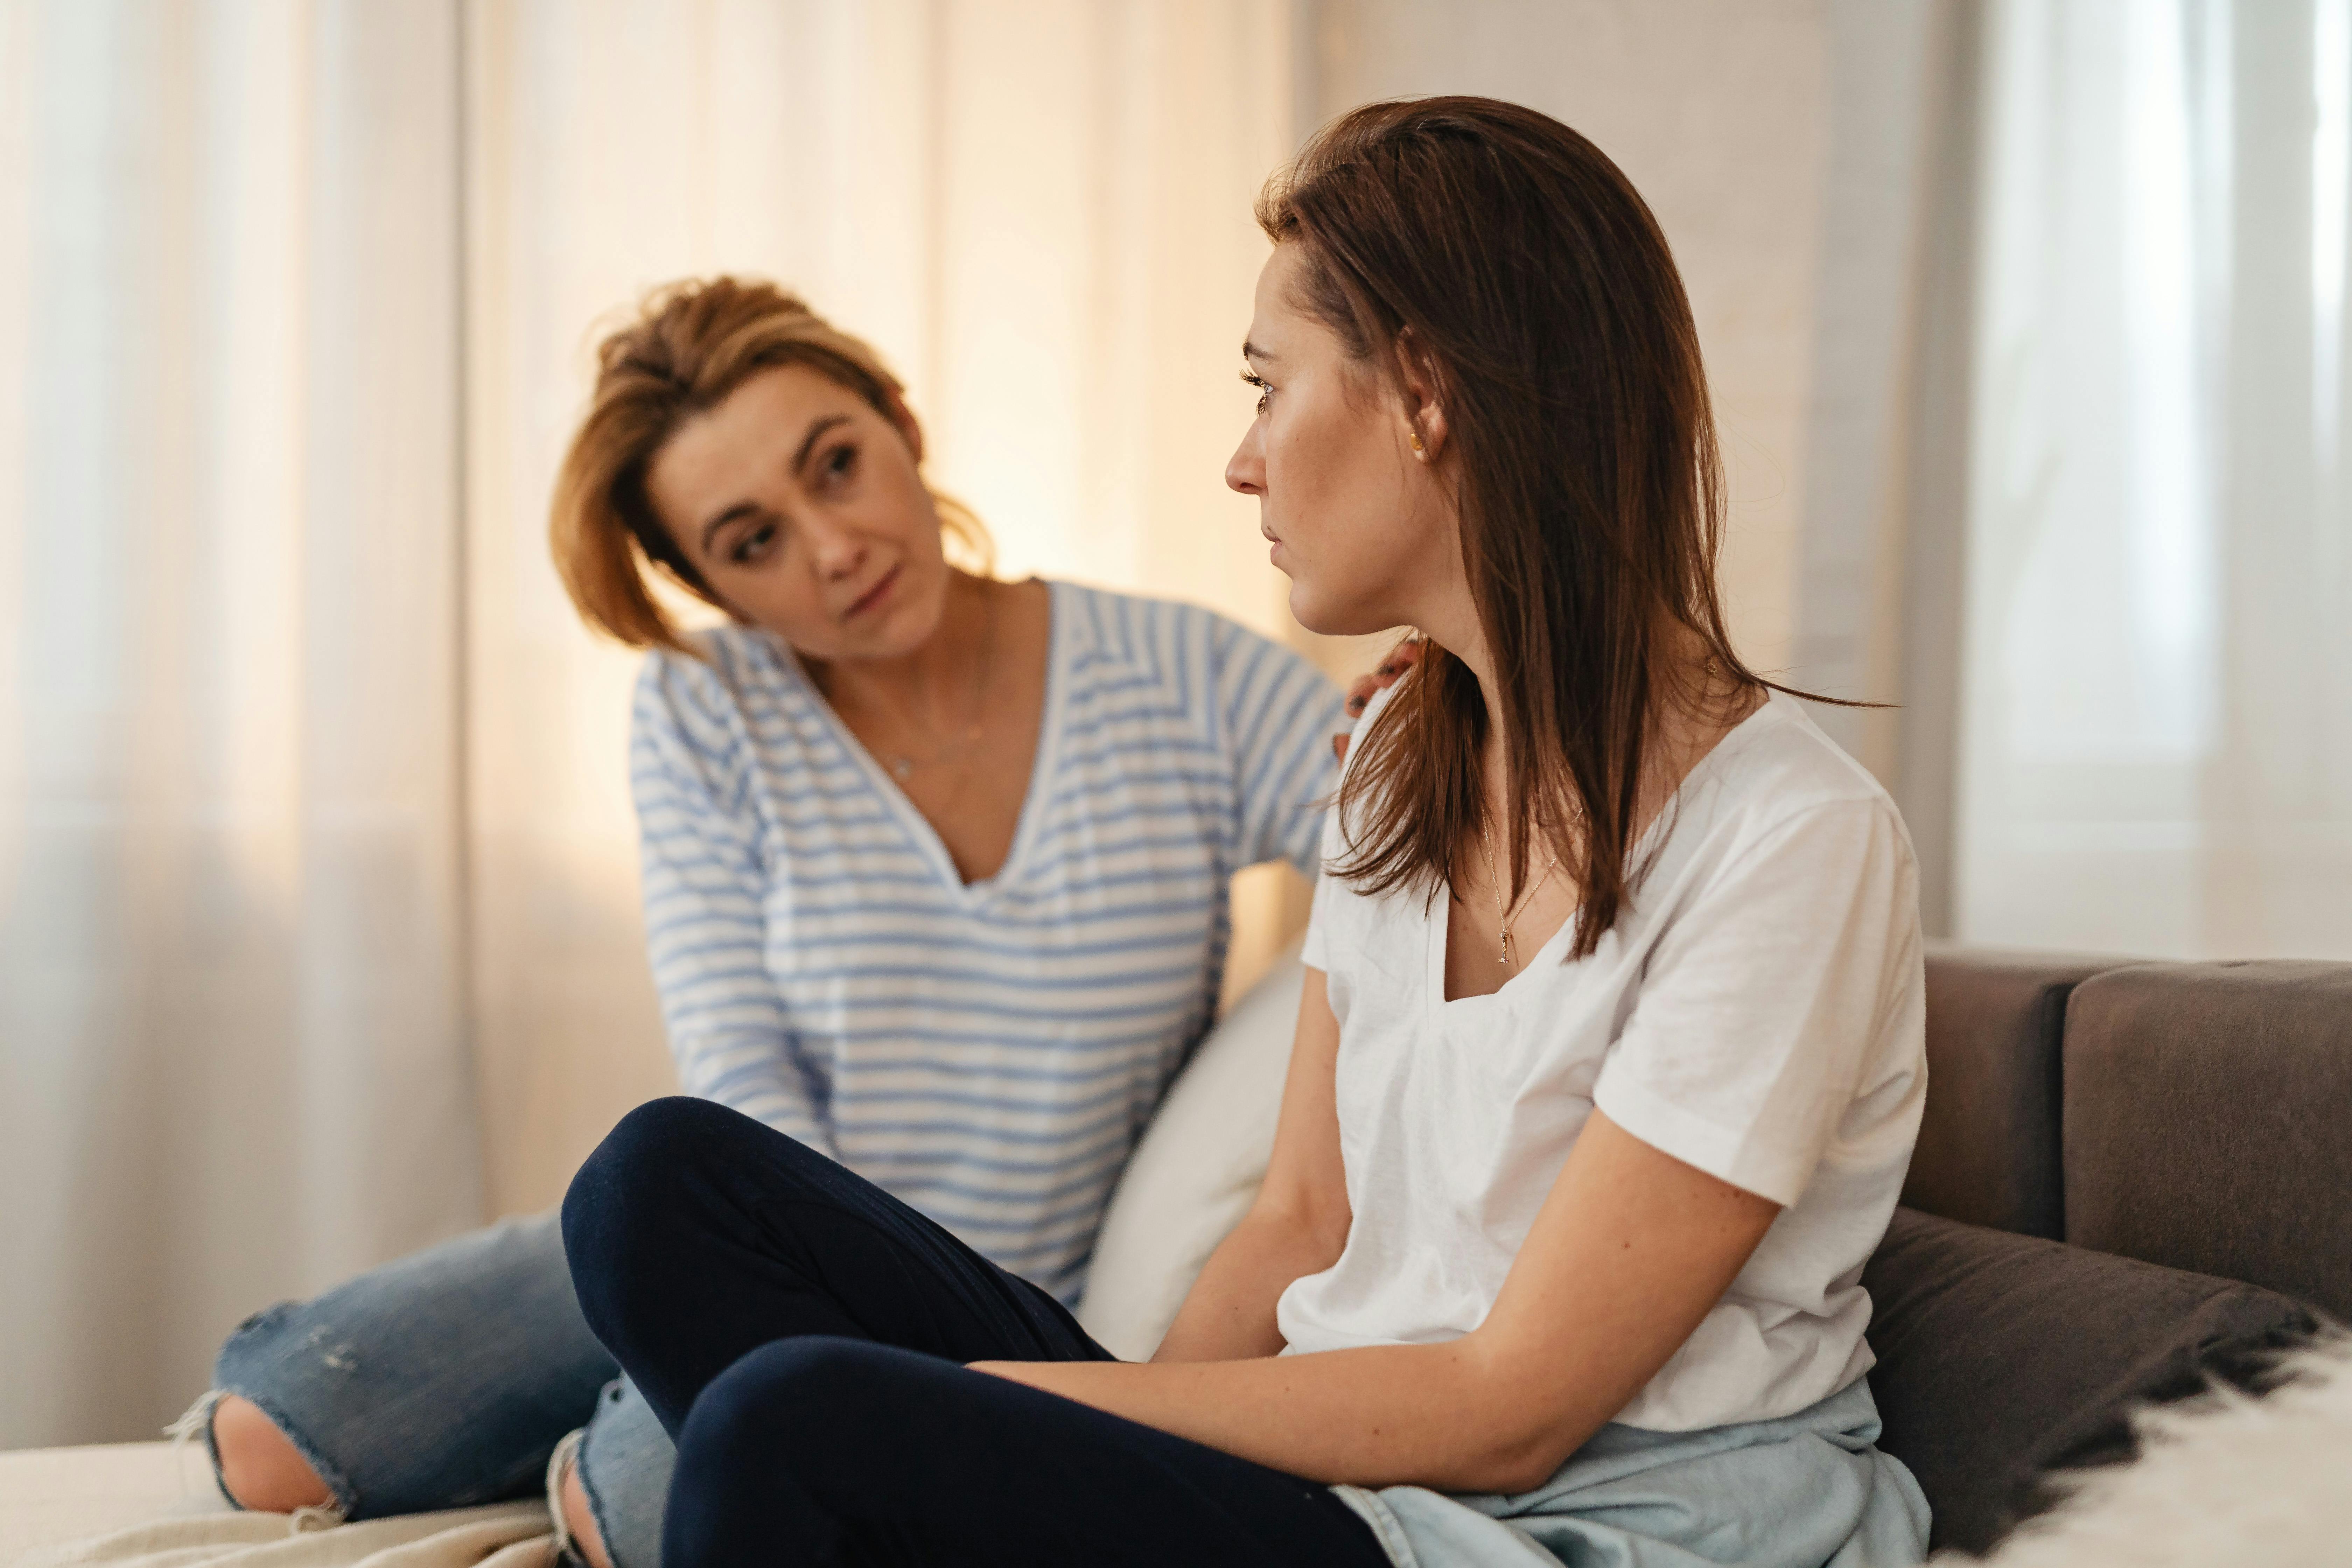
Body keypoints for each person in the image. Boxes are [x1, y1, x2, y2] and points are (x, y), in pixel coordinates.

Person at [560, 96, 1934, 1568]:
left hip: (1556, 1525)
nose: (1243, 457)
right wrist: (1047, 1451)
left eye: (1267, 386)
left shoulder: (1793, 841)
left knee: (795, 1423)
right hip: (1343, 1484)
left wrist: (975, 1417)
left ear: (1426, 393)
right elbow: (1294, 1220)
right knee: (657, 1191)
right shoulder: (1400, 762)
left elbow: (1512, 1406)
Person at [194, 278, 1363, 1568]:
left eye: (838, 467)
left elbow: (1402, 816)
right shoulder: (706, 716)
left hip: (990, 1297)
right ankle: (621, 1365)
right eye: (753, 542)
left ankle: (610, 1429)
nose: (834, 547)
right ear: (709, 584)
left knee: (617, 1511)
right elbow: (741, 1077)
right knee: (264, 1444)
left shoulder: (1180, 676)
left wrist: (1454, 699)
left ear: (900, 426)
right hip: (744, 1231)